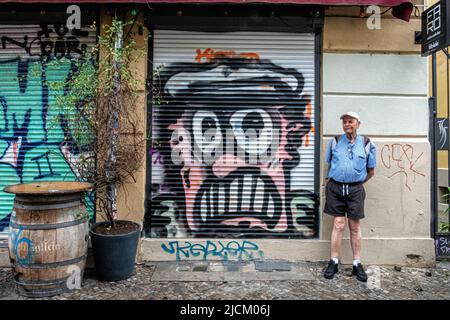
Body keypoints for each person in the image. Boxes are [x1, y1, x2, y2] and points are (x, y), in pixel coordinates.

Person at [323, 111, 376, 282]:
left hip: (355, 190)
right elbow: (329, 164)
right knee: (338, 225)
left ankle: (356, 263)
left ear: (358, 123)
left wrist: (356, 182)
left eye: (350, 121)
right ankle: (334, 261)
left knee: (354, 226)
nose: (347, 124)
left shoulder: (367, 143)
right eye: (344, 122)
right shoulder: (335, 141)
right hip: (336, 188)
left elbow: (371, 171)